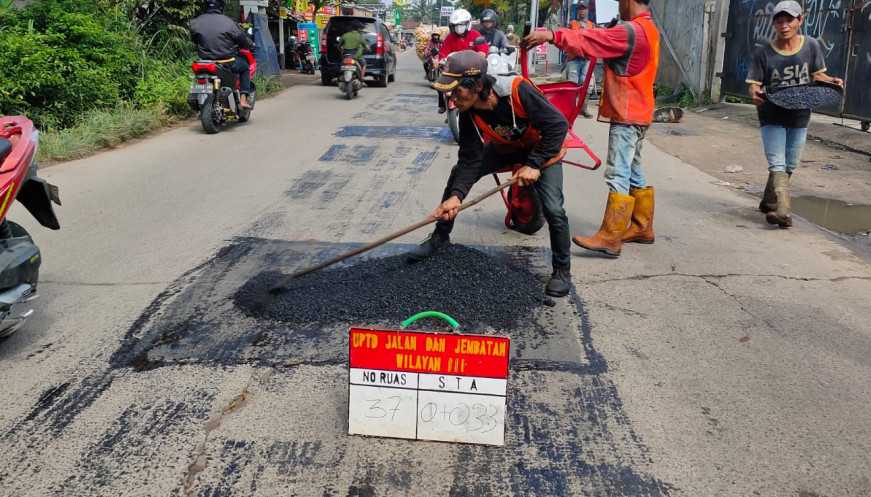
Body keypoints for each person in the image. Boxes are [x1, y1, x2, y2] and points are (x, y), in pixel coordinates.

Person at [410, 51, 574, 298]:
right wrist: (456, 196)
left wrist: (535, 163)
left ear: (476, 85)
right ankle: (440, 238)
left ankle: (562, 270)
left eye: (456, 91)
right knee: (458, 175)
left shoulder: (517, 90)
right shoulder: (468, 112)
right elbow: (470, 158)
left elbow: (558, 125)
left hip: (543, 147)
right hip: (508, 147)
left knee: (553, 208)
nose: (452, 98)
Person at [523, 0, 660, 258]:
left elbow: (592, 40)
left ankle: (611, 236)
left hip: (628, 112)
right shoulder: (648, 28)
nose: (618, 6)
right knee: (634, 169)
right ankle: (643, 226)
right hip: (641, 110)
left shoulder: (630, 31)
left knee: (618, 172)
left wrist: (552, 35)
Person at [746, 0, 843, 228]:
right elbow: (753, 84)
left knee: (790, 162)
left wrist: (832, 81)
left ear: (800, 20)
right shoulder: (764, 53)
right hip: (771, 112)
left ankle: (770, 201)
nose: (784, 25)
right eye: (779, 20)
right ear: (774, 24)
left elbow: (818, 75)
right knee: (777, 161)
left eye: (789, 20)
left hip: (800, 113)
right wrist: (755, 93)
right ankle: (783, 210)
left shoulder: (811, 46)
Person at [190, 0, 254, 108]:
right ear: (221, 7)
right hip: (226, 62)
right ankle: (243, 100)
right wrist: (250, 44)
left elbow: (194, 39)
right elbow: (242, 40)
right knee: (245, 67)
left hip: (204, 62)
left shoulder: (195, 22)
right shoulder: (229, 22)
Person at [437, 9, 489, 113]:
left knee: (486, 83)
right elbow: (443, 53)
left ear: (467, 24)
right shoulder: (450, 38)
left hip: (473, 70)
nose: (458, 27)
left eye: (461, 24)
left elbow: (483, 51)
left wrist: (481, 55)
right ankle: (442, 105)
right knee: (440, 84)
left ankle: (485, 102)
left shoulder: (475, 35)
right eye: (455, 25)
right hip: (455, 71)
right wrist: (440, 60)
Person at [566, 2, 595, 118]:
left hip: (586, 59)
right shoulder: (572, 24)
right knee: (572, 85)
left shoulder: (591, 25)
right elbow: (567, 37)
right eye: (580, 9)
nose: (582, 11)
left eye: (584, 9)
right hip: (574, 58)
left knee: (587, 85)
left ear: (587, 11)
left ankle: (583, 108)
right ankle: (571, 109)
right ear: (577, 11)